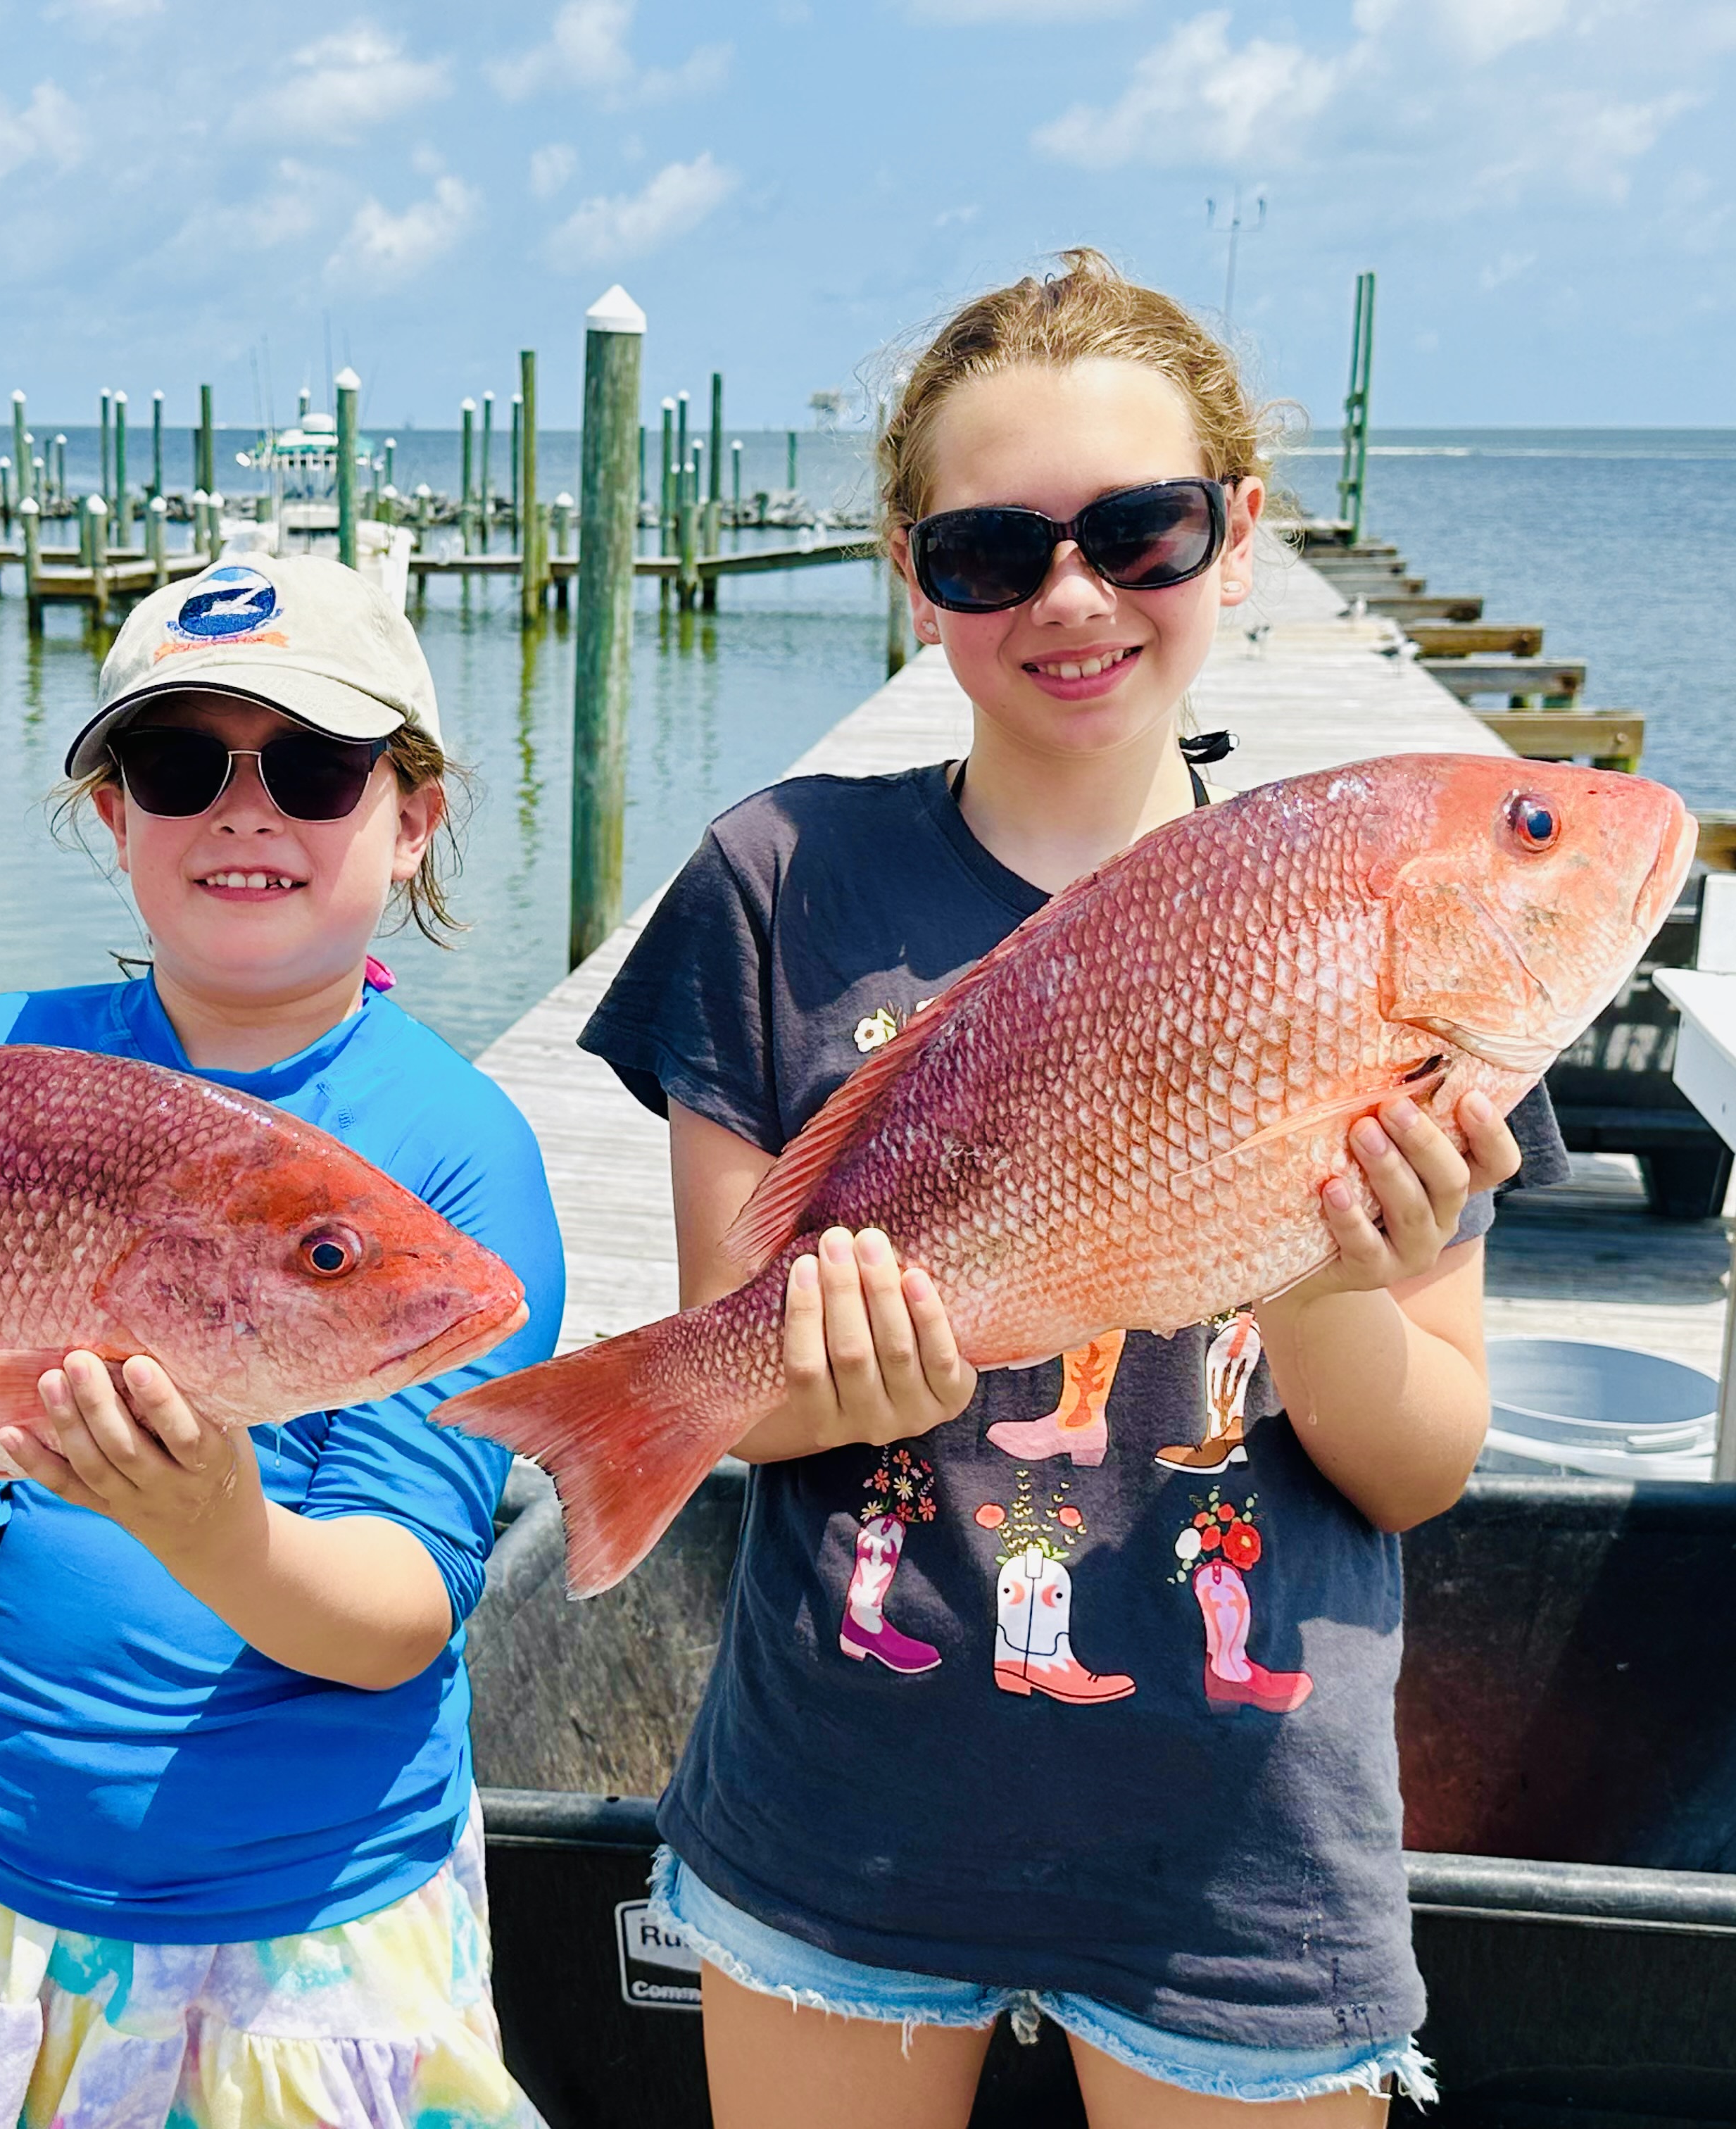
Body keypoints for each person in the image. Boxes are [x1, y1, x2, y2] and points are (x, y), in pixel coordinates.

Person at [578, 251, 1568, 2124]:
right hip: (837, 1814)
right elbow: (742, 1361)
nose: (1070, 596)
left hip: (1242, 1854)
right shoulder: (778, 882)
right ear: (909, 570)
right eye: (989, 554)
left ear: (1239, 534)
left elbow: (1421, 1463)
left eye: (1141, 530)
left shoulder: (1348, 929)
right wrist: (808, 1385)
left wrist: (1334, 1276)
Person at [0, 555, 560, 2129]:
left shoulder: (452, 1162)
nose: (245, 812)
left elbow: (402, 1615)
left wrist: (216, 1527)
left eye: (310, 767)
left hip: (311, 1925)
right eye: (177, 767)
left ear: (414, 814)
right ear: (113, 817)